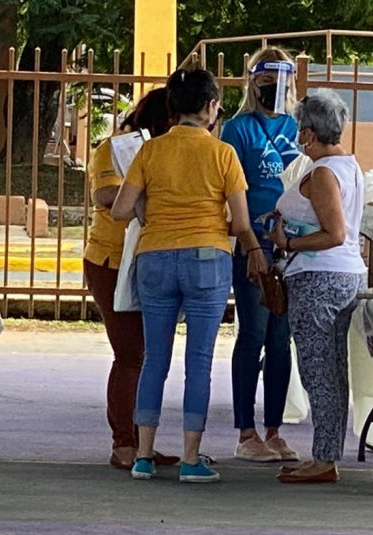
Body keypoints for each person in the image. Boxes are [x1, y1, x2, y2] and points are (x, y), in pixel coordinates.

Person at [111, 68, 267, 483]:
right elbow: (241, 222)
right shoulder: (222, 154)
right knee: (198, 362)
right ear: (211, 107)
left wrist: (153, 214)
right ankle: (190, 458)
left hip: (155, 257)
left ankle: (143, 456)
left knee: (154, 361)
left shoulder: (150, 152)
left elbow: (120, 211)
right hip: (207, 259)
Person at [269, 89, 367, 484]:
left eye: (299, 130)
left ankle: (325, 457)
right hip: (338, 274)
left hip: (319, 276)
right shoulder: (347, 166)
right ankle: (325, 452)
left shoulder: (323, 172)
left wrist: (287, 242)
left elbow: (334, 233)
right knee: (328, 367)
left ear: (309, 132)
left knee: (319, 369)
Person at [83, 88, 179, 471]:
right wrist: (144, 183)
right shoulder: (115, 148)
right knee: (130, 353)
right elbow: (105, 194)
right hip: (111, 259)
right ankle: (124, 442)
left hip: (151, 257)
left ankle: (143, 440)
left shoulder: (171, 152)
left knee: (147, 355)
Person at [220, 47, 301, 463]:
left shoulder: (296, 125)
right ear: (253, 83)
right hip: (253, 239)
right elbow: (232, 190)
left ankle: (274, 429)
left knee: (280, 339)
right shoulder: (238, 129)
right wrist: (251, 241)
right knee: (253, 332)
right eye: (266, 83)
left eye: (281, 83)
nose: (274, 91)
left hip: (291, 242)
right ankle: (245, 431)